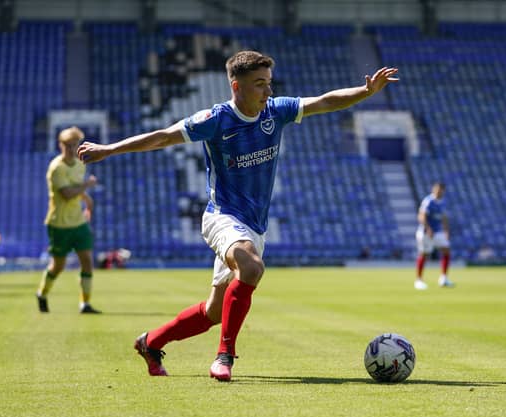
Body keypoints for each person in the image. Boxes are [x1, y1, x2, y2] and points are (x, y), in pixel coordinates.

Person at [77, 50, 399, 381]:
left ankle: (150, 342)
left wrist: (366, 92)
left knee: (214, 312)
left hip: (253, 227)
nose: (268, 92)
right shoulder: (215, 120)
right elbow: (162, 137)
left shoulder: (276, 111)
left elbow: (324, 102)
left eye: (269, 83)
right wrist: (109, 149)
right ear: (236, 86)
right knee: (251, 266)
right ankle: (224, 356)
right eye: (259, 84)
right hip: (222, 216)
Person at [36, 126, 101, 314]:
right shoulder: (57, 168)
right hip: (59, 224)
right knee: (58, 266)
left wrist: (87, 201)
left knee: (87, 260)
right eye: (68, 146)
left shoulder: (81, 164)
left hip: (78, 222)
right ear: (60, 145)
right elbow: (67, 194)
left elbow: (77, 191)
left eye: (75, 145)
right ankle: (42, 293)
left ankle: (85, 304)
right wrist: (87, 186)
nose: (72, 149)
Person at [414, 182, 454, 290]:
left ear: (443, 191)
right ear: (433, 189)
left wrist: (446, 230)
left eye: (440, 190)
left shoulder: (443, 202)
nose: (438, 191)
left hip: (438, 232)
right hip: (426, 232)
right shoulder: (428, 201)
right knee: (424, 254)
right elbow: (421, 216)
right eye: (436, 189)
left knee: (446, 250)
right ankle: (418, 280)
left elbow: (444, 217)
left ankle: (443, 278)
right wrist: (428, 228)